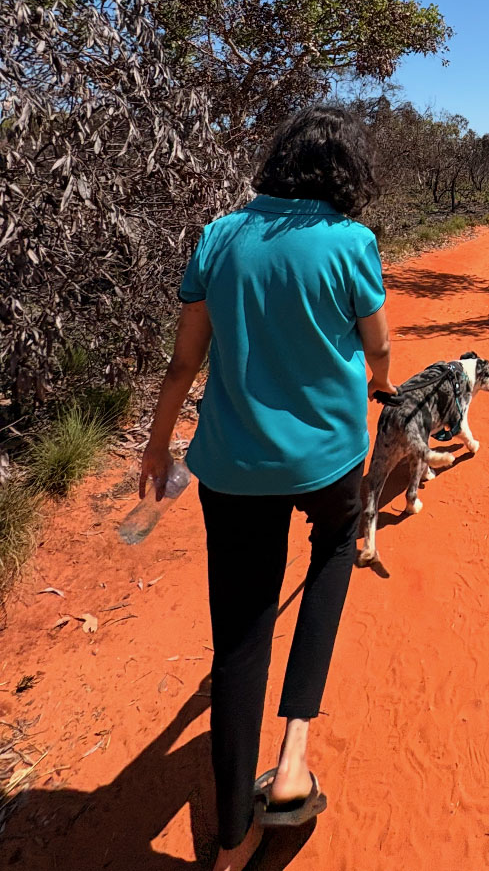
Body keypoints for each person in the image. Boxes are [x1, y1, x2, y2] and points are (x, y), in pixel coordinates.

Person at [140, 105, 396, 871]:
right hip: (327, 461)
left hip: (232, 467)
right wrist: (379, 382)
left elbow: (185, 364)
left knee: (240, 639)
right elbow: (378, 349)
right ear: (344, 174)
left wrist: (158, 449)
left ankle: (231, 840)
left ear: (277, 164)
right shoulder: (353, 243)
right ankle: (292, 758)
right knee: (329, 561)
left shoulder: (220, 235)